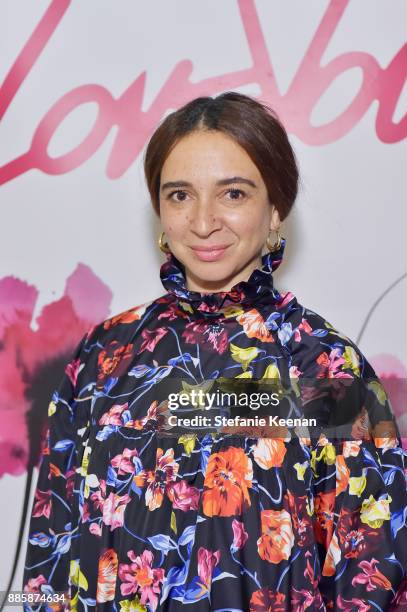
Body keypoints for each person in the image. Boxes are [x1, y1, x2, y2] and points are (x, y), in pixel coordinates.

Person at [22, 92, 407, 611]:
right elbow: (50, 550)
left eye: (233, 194)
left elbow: (374, 573)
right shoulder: (104, 356)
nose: (203, 222)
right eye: (180, 195)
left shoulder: (325, 368)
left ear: (276, 209)